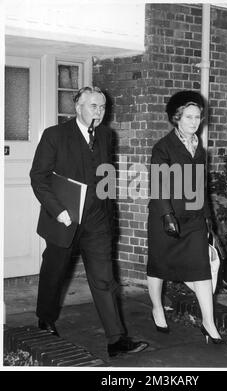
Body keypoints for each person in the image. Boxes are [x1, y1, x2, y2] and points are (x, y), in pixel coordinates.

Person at [30, 86, 149, 357]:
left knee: (104, 279)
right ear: (78, 107)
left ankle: (116, 339)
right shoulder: (54, 135)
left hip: (97, 220)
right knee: (55, 272)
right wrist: (58, 210)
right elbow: (39, 176)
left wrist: (110, 213)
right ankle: (45, 318)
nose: (99, 111)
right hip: (65, 218)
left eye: (103, 107)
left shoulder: (107, 135)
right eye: (93, 105)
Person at [147, 90, 227, 344]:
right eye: (190, 117)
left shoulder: (199, 148)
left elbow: (201, 187)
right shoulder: (163, 147)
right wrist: (167, 215)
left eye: (198, 117)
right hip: (165, 216)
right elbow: (158, 186)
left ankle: (208, 323)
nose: (195, 122)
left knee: (201, 269)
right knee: (159, 265)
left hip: (193, 218)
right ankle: (157, 308)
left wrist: (208, 219)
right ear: (176, 118)